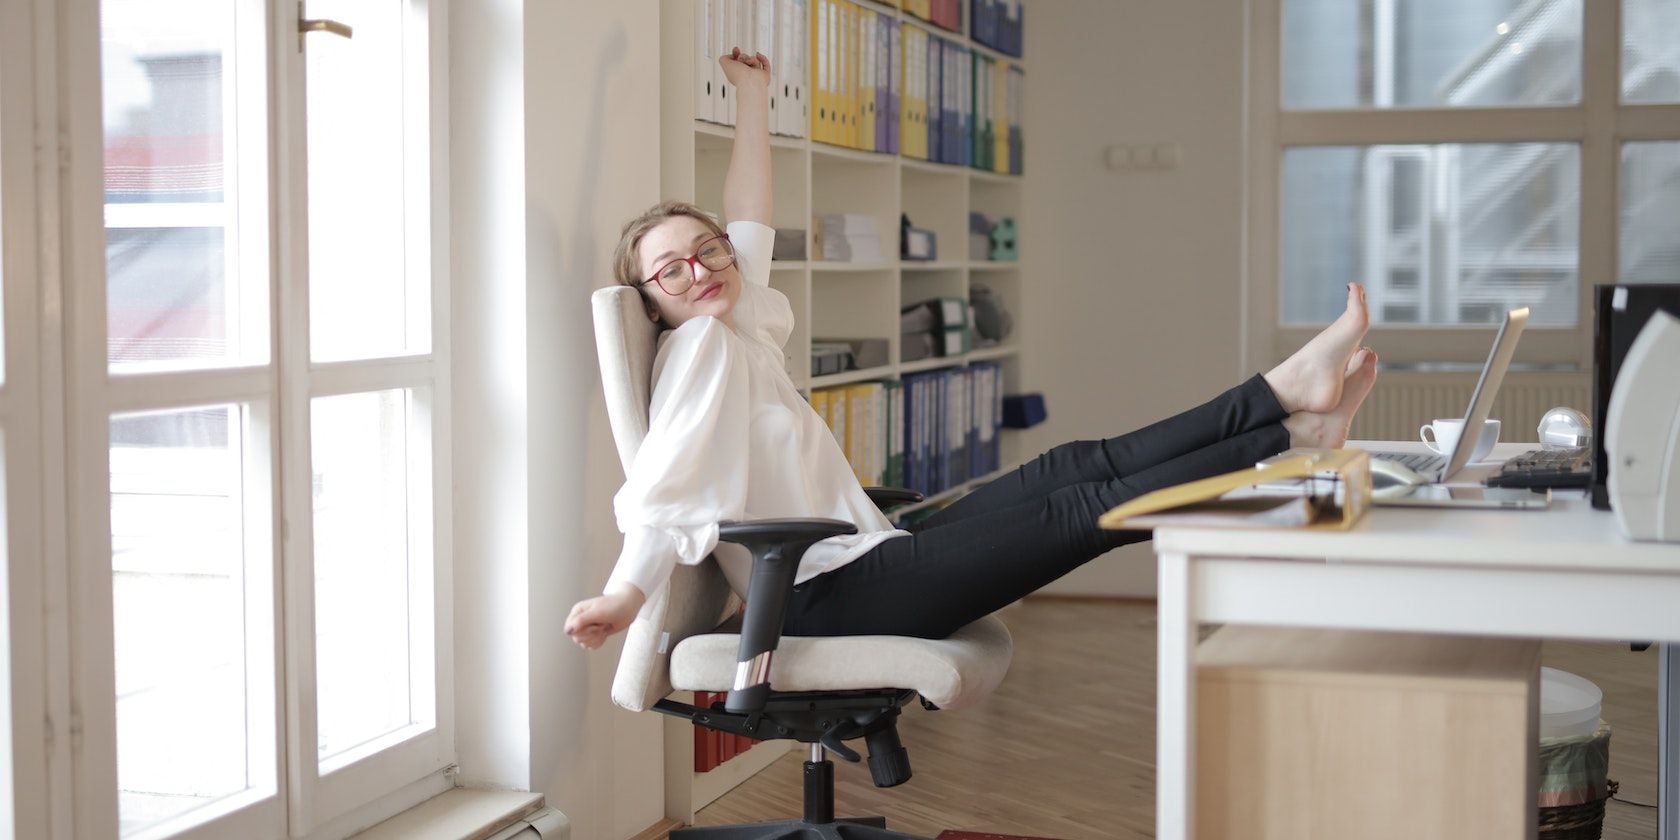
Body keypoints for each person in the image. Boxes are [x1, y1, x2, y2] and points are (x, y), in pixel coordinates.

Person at [564, 48, 1379, 650]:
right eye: (672, 269)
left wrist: (751, 97)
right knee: (1080, 509)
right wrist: (624, 598)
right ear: (653, 302)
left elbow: (750, 220)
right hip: (829, 598)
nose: (701, 269)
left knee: (1070, 466)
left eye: (708, 250)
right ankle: (1286, 429)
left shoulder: (735, 322)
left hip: (870, 555)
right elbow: (664, 490)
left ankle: (1287, 408)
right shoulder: (701, 346)